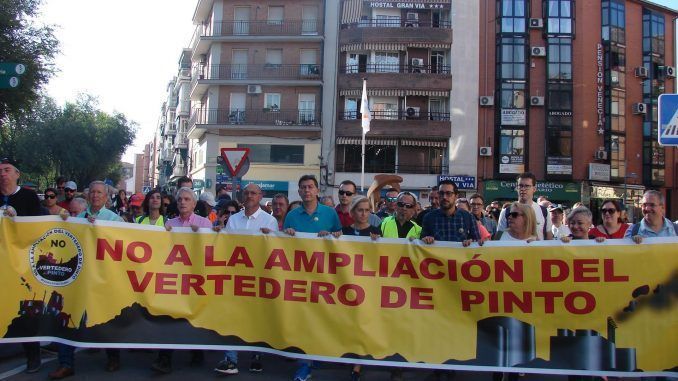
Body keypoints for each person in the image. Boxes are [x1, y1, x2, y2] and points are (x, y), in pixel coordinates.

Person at [51, 181, 124, 379]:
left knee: (106, 318)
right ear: (88, 195)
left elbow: (121, 247)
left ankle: (113, 356)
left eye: (99, 192)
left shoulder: (115, 219)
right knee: (68, 316)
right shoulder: (78, 218)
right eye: (92, 192)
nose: (95, 195)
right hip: (79, 277)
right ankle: (66, 363)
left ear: (106, 196)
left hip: (102, 278)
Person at [212, 184, 277, 375]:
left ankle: (256, 355)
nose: (250, 196)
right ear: (242, 196)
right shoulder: (233, 220)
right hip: (236, 276)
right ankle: (230, 358)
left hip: (259, 276)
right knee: (233, 315)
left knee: (257, 316)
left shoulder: (270, 221)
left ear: (260, 196)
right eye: (247, 193)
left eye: (254, 193)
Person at [282, 175, 341, 381]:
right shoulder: (291, 216)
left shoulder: (330, 214)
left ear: (317, 191)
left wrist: (333, 236)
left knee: (320, 318)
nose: (307, 190)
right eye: (303, 187)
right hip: (299, 276)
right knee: (303, 320)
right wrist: (287, 234)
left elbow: (340, 240)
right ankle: (304, 364)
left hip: (323, 276)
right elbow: (281, 246)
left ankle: (315, 353)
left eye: (310, 187)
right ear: (299, 192)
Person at [151, 187, 211, 374]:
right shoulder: (170, 223)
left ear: (194, 204)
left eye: (187, 199)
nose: (183, 202)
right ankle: (164, 359)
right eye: (180, 200)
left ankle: (197, 351)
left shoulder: (204, 224)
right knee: (170, 317)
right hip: (174, 279)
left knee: (193, 316)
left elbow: (211, 251)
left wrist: (200, 235)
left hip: (195, 280)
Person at [0, 158, 43, 373]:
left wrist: (19, 219)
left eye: (7, 170)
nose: (3, 174)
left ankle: (32, 355)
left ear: (17, 174)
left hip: (22, 265)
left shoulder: (28, 197)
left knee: (26, 312)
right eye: (0, 171)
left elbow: (39, 226)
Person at [421, 179, 481, 247]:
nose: (444, 197)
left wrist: (471, 242)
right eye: (441, 193)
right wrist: (426, 240)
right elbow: (421, 244)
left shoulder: (468, 217)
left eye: (448, 193)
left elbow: (477, 243)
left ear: (456, 196)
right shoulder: (428, 218)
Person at [497, 172, 553, 240]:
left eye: (527, 186)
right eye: (520, 185)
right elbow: (498, 237)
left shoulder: (544, 211)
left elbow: (549, 236)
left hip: (536, 250)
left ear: (534, 189)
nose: (523, 189)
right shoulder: (506, 212)